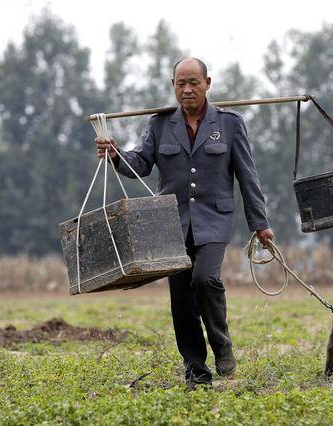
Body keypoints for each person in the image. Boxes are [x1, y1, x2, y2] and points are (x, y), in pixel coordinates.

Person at [95, 57, 274, 389]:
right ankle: (196, 371)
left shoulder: (231, 123)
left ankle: (222, 348)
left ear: (208, 82)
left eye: (194, 82)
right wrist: (116, 155)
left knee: (205, 280)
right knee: (181, 299)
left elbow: (248, 176)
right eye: (181, 83)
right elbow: (141, 163)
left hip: (215, 219)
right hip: (170, 224)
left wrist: (259, 224)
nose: (187, 89)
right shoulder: (161, 124)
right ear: (172, 85)